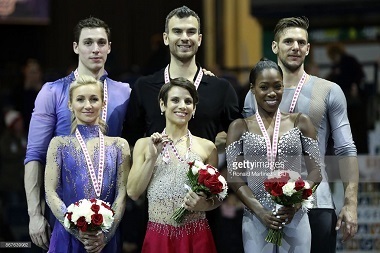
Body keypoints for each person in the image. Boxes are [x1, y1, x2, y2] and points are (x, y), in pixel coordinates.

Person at [243, 17, 358, 253]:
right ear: (274, 47)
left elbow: (346, 149)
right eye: (288, 41)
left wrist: (351, 202)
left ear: (308, 49)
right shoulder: (253, 96)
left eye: (301, 42)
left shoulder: (329, 91)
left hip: (316, 204)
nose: (295, 46)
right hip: (264, 208)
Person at [24, 16, 131, 250]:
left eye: (102, 42)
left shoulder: (125, 93)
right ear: (76, 47)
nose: (96, 49)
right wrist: (35, 214)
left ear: (110, 47)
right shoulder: (52, 91)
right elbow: (34, 155)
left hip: (109, 218)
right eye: (88, 42)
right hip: (62, 212)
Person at [226, 59, 322, 252]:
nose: (272, 93)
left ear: (283, 87)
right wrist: (260, 211)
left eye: (277, 86)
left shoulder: (301, 122)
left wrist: (295, 203)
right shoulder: (239, 127)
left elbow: (316, 172)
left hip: (295, 216)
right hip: (255, 216)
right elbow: (234, 176)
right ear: (253, 89)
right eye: (264, 87)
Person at [124, 5, 241, 146]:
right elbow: (130, 143)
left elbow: (239, 139)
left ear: (199, 39)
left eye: (191, 32)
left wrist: (214, 148)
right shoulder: (144, 87)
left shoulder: (221, 89)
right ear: (166, 38)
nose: (184, 38)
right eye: (177, 32)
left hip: (204, 167)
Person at [127, 77, 220, 253]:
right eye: (175, 100)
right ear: (162, 105)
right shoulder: (144, 144)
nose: (182, 106)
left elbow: (216, 197)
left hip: (196, 235)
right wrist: (152, 158)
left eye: (188, 101)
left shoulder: (207, 147)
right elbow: (133, 192)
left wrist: (204, 205)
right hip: (158, 235)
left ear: (194, 108)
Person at [45, 75, 130, 253]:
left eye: (94, 99)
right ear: (70, 104)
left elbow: (122, 193)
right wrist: (76, 230)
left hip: (106, 237)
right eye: (80, 99)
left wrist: (105, 236)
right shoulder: (58, 144)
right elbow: (50, 192)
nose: (88, 105)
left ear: (103, 103)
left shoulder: (119, 145)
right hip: (68, 235)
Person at [326, 42, 368, 154]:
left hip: (351, 99)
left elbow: (359, 76)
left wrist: (355, 86)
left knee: (355, 126)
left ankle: (359, 150)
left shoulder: (348, 61)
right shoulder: (336, 66)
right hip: (342, 100)